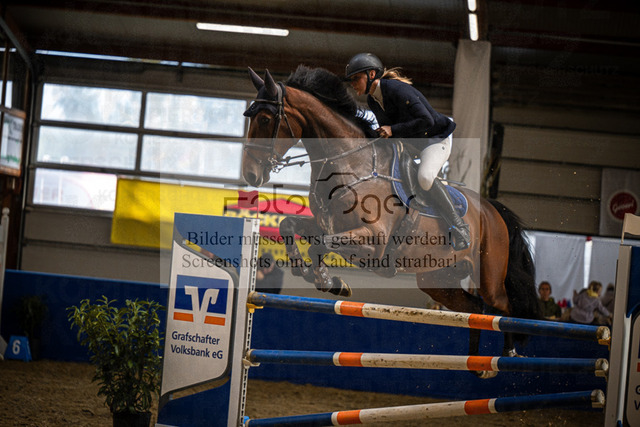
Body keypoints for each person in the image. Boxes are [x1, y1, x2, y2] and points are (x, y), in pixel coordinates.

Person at [344, 53, 469, 250]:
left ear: (371, 74)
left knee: (425, 177)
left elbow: (426, 120)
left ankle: (459, 226)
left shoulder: (397, 89)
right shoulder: (373, 100)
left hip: (435, 139)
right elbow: (389, 131)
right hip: (412, 144)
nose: (352, 84)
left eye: (355, 78)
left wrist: (393, 130)